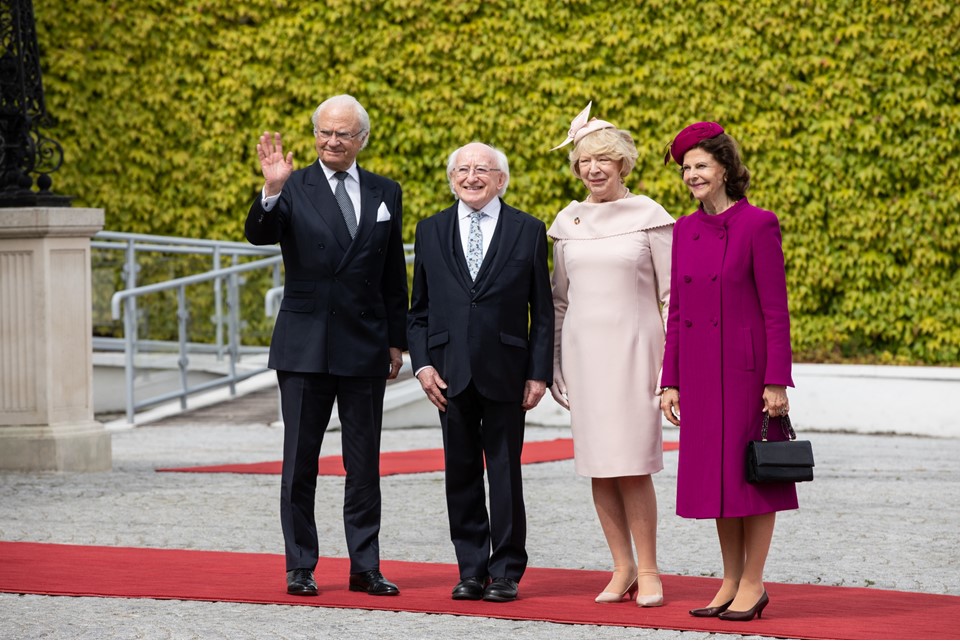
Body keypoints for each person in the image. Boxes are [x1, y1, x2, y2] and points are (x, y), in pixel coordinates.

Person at [245, 94, 408, 598]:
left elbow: (391, 273)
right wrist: (271, 190)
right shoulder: (291, 185)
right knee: (300, 462)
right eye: (324, 132)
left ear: (362, 140)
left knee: (364, 464)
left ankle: (365, 566)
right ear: (315, 134)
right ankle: (300, 565)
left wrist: (397, 341)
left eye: (343, 134)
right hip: (305, 345)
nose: (332, 141)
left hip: (364, 344)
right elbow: (259, 234)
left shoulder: (386, 191)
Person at [660, 122, 797, 621]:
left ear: (724, 169)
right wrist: (669, 380)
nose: (692, 175)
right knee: (717, 482)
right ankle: (730, 580)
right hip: (698, 373)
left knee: (751, 479)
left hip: (745, 373)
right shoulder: (684, 229)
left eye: (700, 166)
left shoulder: (759, 224)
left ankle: (754, 583)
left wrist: (776, 380)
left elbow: (775, 310)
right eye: (686, 168)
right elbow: (675, 311)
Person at [407, 142, 554, 603]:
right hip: (448, 373)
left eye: (482, 170)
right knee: (461, 471)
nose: (471, 177)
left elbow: (543, 311)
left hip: (508, 371)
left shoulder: (528, 230)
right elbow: (419, 312)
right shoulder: (429, 229)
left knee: (506, 472)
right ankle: (470, 569)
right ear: (452, 178)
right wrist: (423, 366)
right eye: (462, 169)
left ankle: (506, 571)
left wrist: (539, 372)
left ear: (501, 180)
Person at [547, 103, 674, 607]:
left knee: (633, 463)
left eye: (604, 159)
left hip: (637, 355)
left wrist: (672, 370)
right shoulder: (566, 221)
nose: (593, 169)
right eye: (584, 161)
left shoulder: (650, 216)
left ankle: (650, 569)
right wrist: (556, 364)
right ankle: (620, 567)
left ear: (623, 163)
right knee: (599, 464)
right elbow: (560, 300)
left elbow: (672, 298)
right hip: (584, 356)